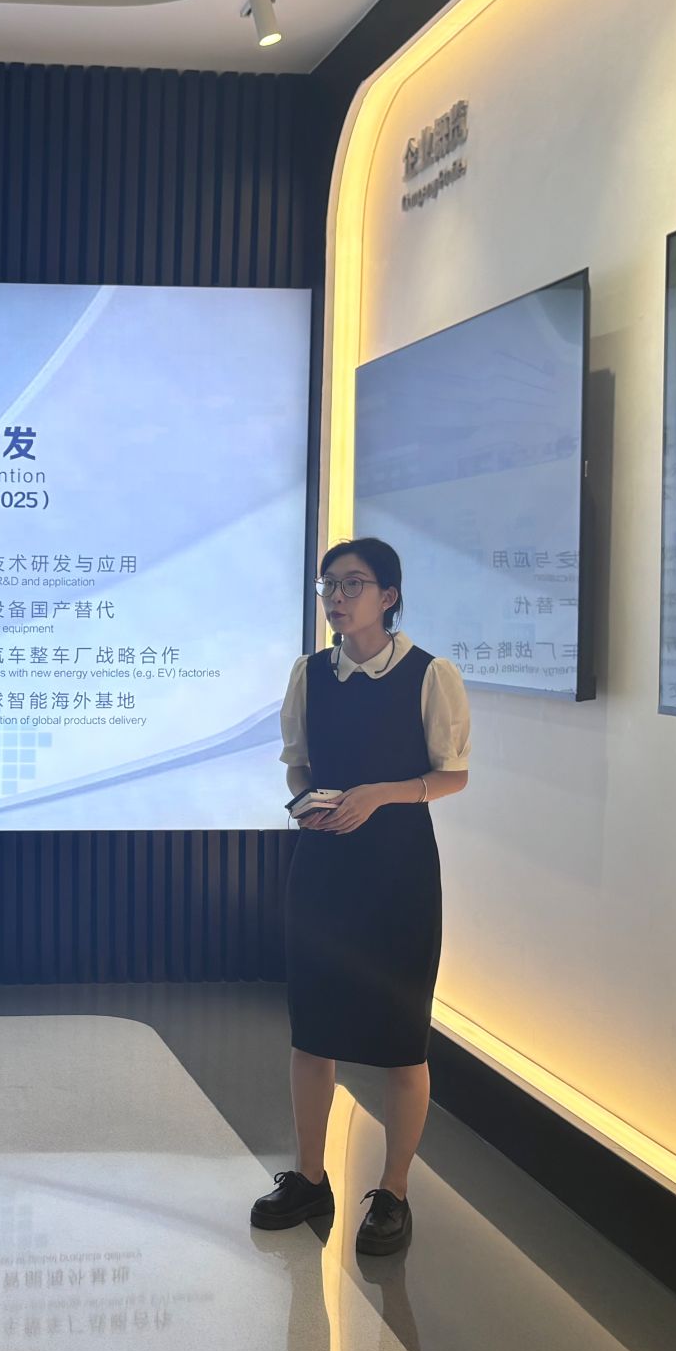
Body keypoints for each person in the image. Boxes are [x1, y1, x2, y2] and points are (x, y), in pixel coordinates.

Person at [253, 537, 471, 1258]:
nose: (337, 598)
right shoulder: (309, 674)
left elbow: (452, 775)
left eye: (352, 584)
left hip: (400, 874)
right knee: (312, 1033)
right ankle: (310, 1177)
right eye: (329, 587)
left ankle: (394, 1192)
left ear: (389, 596)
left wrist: (381, 795)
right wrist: (307, 801)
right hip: (323, 869)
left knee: (403, 1042)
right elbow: (298, 766)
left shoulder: (429, 674)